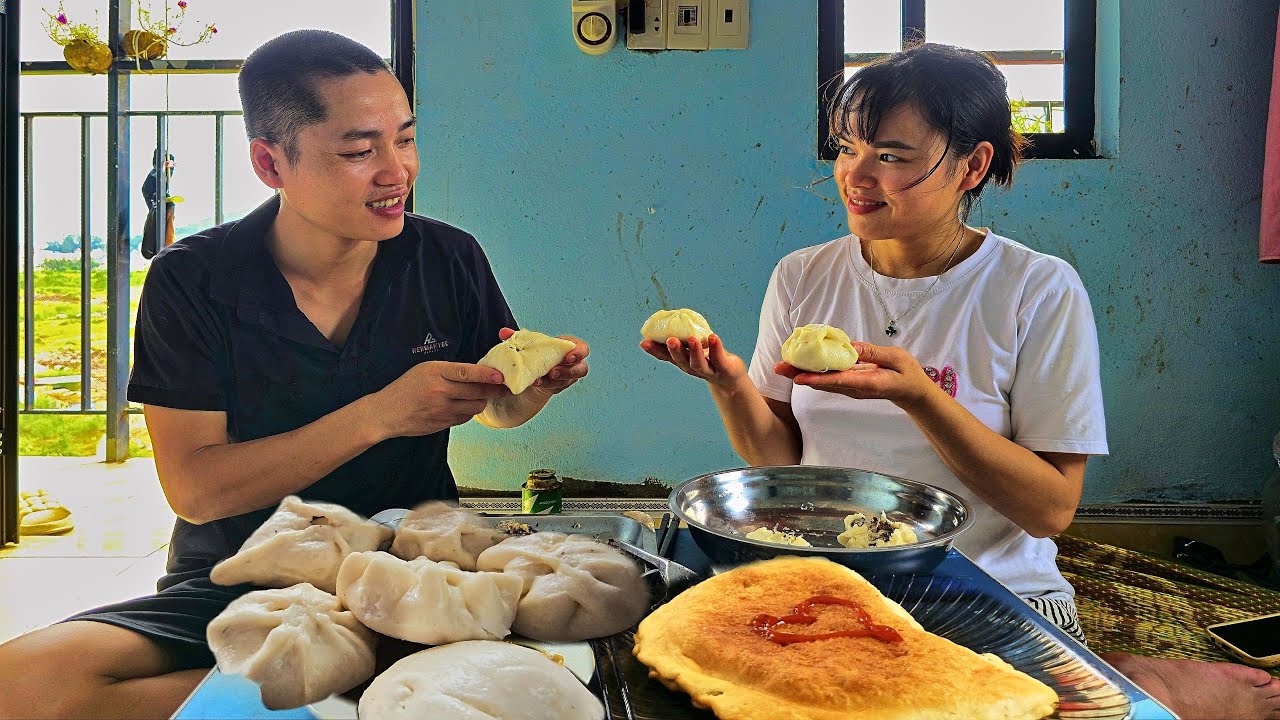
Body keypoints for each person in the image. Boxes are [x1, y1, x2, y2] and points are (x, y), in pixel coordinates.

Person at [641, 43, 1280, 720]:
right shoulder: (803, 276)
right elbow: (777, 461)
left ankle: (1147, 682)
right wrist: (730, 382)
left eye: (892, 156)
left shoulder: (1034, 289)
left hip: (989, 585)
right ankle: (1117, 676)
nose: (856, 175)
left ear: (972, 165)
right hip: (835, 588)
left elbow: (1050, 510)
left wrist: (921, 397)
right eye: (846, 147)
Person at [0, 30, 588, 720]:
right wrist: (379, 415)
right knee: (20, 684)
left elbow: (495, 409)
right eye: (359, 151)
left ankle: (358, 682)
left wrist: (530, 391)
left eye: (405, 139)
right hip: (242, 575)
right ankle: (369, 690)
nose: (397, 170)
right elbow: (196, 490)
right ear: (269, 163)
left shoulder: (448, 258)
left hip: (412, 570)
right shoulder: (192, 280)